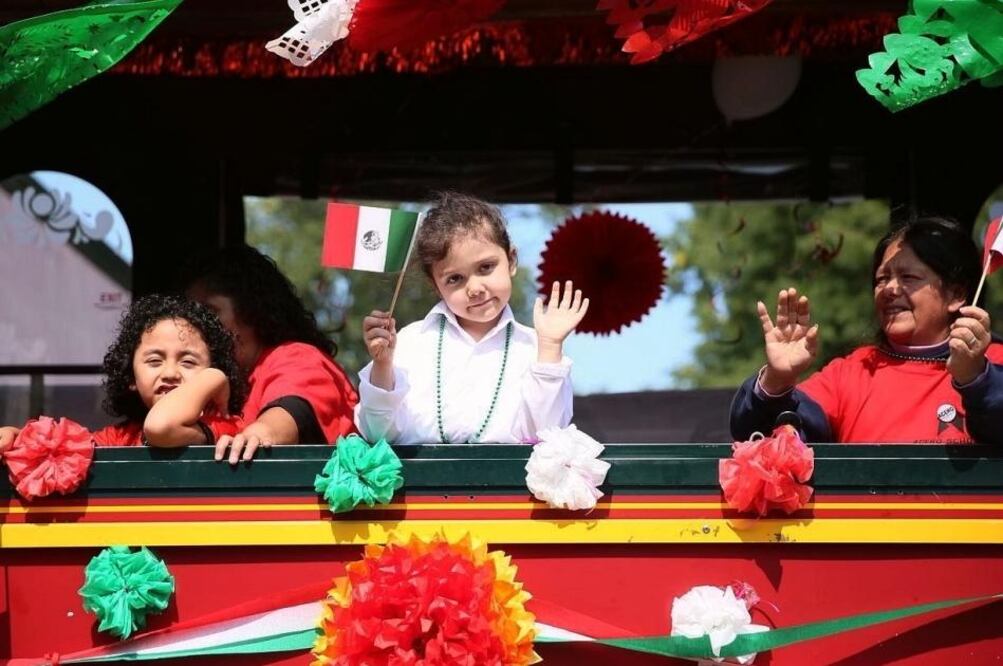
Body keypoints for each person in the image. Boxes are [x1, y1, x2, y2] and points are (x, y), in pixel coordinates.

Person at [731, 216, 1003, 444]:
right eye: (881, 278)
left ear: (956, 294)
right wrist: (776, 381)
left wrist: (976, 378)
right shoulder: (853, 372)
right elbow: (759, 437)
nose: (889, 289)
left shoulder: (995, 361)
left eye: (908, 277)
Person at [357, 191, 589, 445]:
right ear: (436, 286)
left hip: (510, 483)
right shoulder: (411, 342)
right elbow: (377, 434)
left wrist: (550, 348)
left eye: (485, 267)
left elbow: (547, 436)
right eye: (455, 279)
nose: (475, 288)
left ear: (511, 260)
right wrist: (382, 365)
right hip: (418, 483)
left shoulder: (535, 347)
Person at [0, 295, 246, 450]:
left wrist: (214, 377)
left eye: (189, 362)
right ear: (131, 378)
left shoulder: (224, 426)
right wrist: (19, 438)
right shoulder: (120, 438)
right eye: (154, 361)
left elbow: (162, 426)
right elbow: (64, 448)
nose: (170, 372)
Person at [184, 245, 358, 463]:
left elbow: (291, 412)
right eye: (191, 313)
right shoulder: (221, 381)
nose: (196, 324)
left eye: (209, 312)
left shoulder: (297, 357)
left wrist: (261, 433)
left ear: (251, 311)